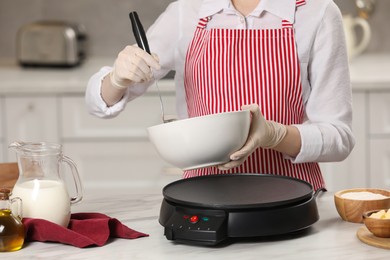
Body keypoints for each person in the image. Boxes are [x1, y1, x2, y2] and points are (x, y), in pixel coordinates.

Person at [85, 0, 355, 191]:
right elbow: (99, 103)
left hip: (292, 196)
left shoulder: (318, 13)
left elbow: (339, 137)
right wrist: (118, 78)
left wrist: (276, 135)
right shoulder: (186, 12)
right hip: (202, 196)